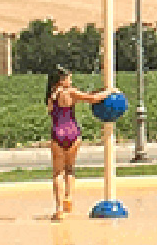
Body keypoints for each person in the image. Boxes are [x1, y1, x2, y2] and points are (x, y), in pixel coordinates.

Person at [45, 65, 114, 221]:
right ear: (61, 80)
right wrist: (109, 91)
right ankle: (68, 196)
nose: (71, 80)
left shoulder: (51, 96)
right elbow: (92, 99)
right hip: (72, 132)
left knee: (57, 173)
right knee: (70, 169)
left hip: (57, 133)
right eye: (69, 77)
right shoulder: (71, 92)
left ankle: (58, 209)